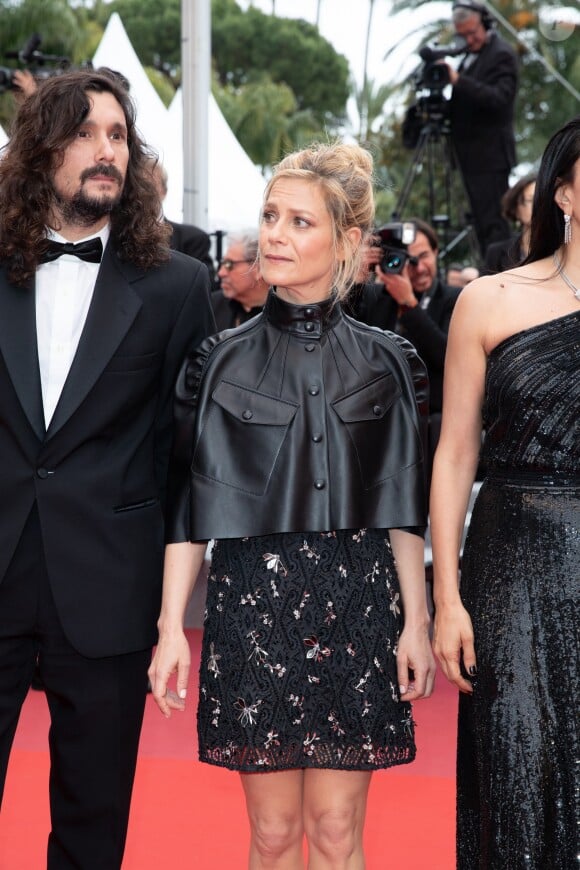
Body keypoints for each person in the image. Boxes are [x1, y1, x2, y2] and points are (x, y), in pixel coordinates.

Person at [149, 142, 436, 868]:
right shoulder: (217, 360)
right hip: (254, 602)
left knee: (338, 833)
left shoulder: (390, 361)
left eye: (299, 221)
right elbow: (189, 499)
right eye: (270, 216)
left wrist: (417, 621)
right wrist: (170, 629)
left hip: (360, 600)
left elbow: (401, 503)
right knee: (274, 835)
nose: (273, 234)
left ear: (346, 242)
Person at [0, 69, 215, 868]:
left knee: (93, 823)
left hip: (109, 587)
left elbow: (187, 460)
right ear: (40, 150)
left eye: (119, 136)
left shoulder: (177, 289)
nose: (106, 152)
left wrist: (171, 614)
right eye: (86, 133)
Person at [430, 116, 580, 868]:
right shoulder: (487, 301)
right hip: (511, 568)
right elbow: (456, 453)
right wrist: (447, 598)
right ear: (565, 193)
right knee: (517, 772)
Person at [348, 218, 460, 474]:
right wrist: (356, 275)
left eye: (423, 256)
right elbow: (343, 336)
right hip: (378, 426)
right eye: (408, 260)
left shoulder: (455, 299)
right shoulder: (377, 298)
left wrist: (408, 304)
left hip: (432, 431)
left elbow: (447, 357)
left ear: (436, 252)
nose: (418, 267)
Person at [445, 0, 519, 257]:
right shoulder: (469, 58)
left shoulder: (501, 54)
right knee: (480, 225)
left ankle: (501, 277)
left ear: (486, 24)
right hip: (470, 157)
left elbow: (499, 99)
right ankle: (487, 275)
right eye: (462, 35)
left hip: (490, 158)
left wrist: (459, 81)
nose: (468, 39)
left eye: (472, 33)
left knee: (495, 226)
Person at [150, 159, 216, 284]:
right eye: (138, 184)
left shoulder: (193, 240)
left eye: (150, 185)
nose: (143, 191)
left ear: (164, 191)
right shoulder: (114, 236)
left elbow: (204, 290)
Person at [212, 230, 269, 329]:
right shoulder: (211, 306)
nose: (221, 273)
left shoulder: (288, 314)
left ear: (259, 268)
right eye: (223, 263)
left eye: (229, 264)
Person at [483, 172, 537, 274]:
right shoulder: (496, 254)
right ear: (516, 209)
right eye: (532, 200)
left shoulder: (564, 250)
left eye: (543, 199)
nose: (538, 205)